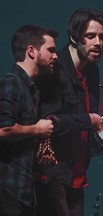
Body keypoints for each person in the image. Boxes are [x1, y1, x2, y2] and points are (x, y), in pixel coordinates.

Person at [35, 8, 103, 216]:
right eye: (90, 36)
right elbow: (48, 122)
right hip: (53, 174)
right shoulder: (54, 68)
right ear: (74, 37)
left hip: (77, 173)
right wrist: (87, 120)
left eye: (102, 37)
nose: (98, 43)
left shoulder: (92, 70)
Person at [0, 25, 57, 216]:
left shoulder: (30, 89)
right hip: (8, 190)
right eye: (50, 50)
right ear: (31, 51)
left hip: (23, 190)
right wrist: (37, 130)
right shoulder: (11, 81)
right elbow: (3, 129)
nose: (55, 56)